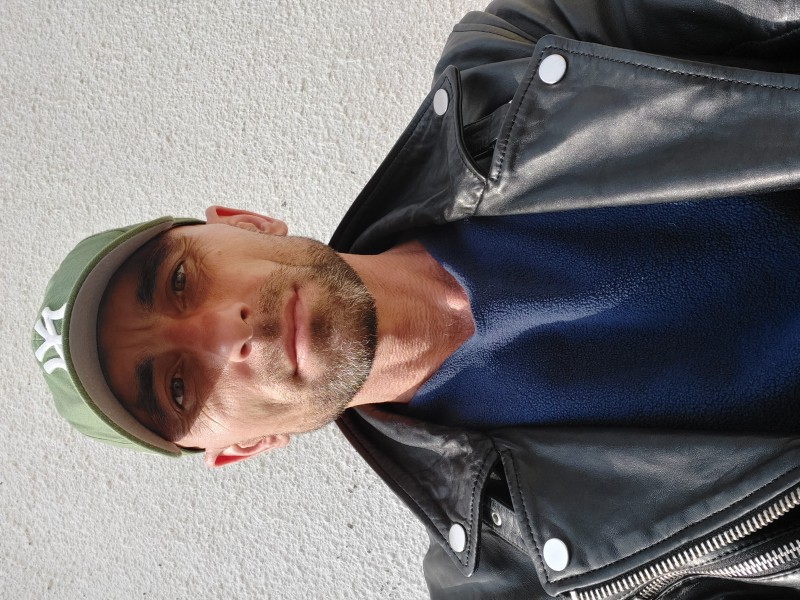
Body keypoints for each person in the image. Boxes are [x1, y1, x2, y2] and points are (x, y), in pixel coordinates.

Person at [31, 0, 800, 598]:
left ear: (244, 222)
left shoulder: (512, 66)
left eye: (179, 281)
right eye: (178, 386)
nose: (225, 333)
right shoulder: (515, 577)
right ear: (245, 448)